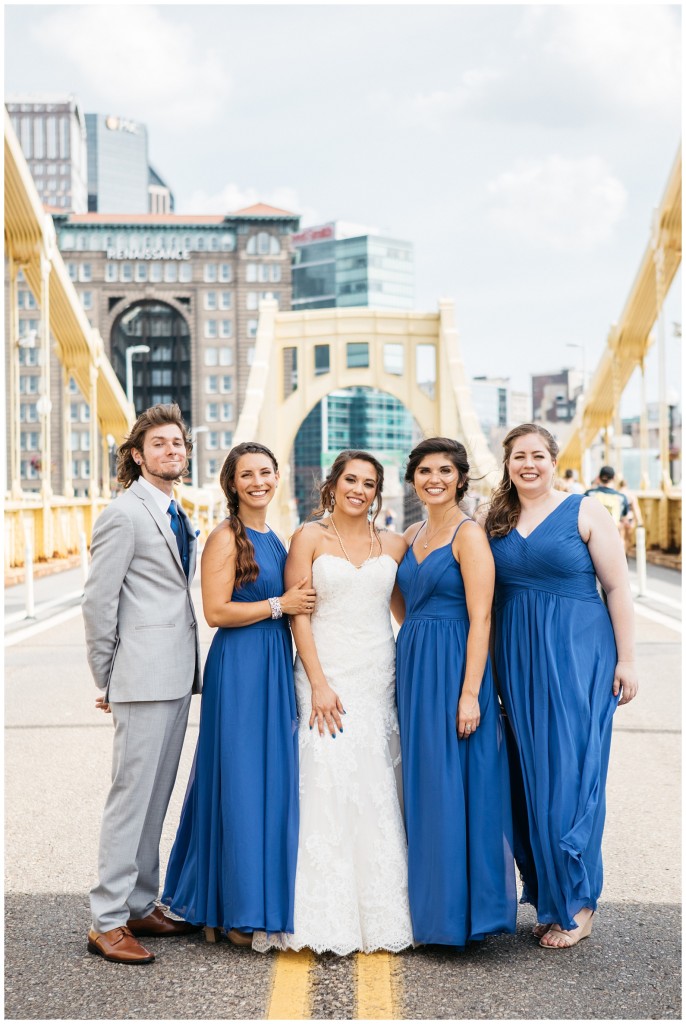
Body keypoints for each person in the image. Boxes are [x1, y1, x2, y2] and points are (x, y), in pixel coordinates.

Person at [253, 450, 414, 955]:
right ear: (333, 484)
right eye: (351, 479)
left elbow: (407, 609)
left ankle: (384, 907)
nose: (359, 490)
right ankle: (316, 910)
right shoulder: (309, 537)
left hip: (376, 672)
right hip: (326, 670)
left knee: (376, 781)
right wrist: (318, 681)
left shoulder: (393, 542)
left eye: (369, 483)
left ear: (377, 492)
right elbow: (299, 612)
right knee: (324, 774)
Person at [485, 424, 638, 950]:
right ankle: (551, 899)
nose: (528, 465)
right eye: (518, 457)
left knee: (571, 776)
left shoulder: (586, 510)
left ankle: (579, 902)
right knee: (532, 780)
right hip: (518, 662)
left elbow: (616, 586)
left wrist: (629, 660)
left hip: (579, 659)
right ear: (507, 465)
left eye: (538, 456)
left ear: (554, 460)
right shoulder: (495, 520)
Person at [162, 442, 315, 946]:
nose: (257, 482)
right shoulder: (226, 537)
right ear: (232, 483)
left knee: (266, 780)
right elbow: (216, 611)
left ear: (278, 476)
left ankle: (234, 900)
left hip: (273, 662)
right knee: (242, 781)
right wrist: (280, 604)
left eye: (265, 473)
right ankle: (234, 911)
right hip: (242, 665)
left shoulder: (276, 536)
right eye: (246, 474)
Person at [83, 403, 202, 965]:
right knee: (130, 799)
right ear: (137, 454)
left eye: (177, 443)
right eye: (158, 444)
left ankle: (138, 903)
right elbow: (98, 602)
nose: (170, 451)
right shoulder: (122, 514)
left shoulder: (178, 511)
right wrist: (107, 676)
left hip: (177, 675)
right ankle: (106, 920)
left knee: (156, 797)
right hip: (140, 677)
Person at [394, 438, 517, 946]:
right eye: (424, 471)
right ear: (414, 478)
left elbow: (481, 615)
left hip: (456, 671)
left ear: (461, 478)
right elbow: (401, 602)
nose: (434, 479)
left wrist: (470, 694)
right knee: (425, 785)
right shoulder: (411, 532)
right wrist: (416, 635)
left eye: (445, 470)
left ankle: (464, 916)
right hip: (414, 665)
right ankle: (432, 909)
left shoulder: (469, 535)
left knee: (459, 785)